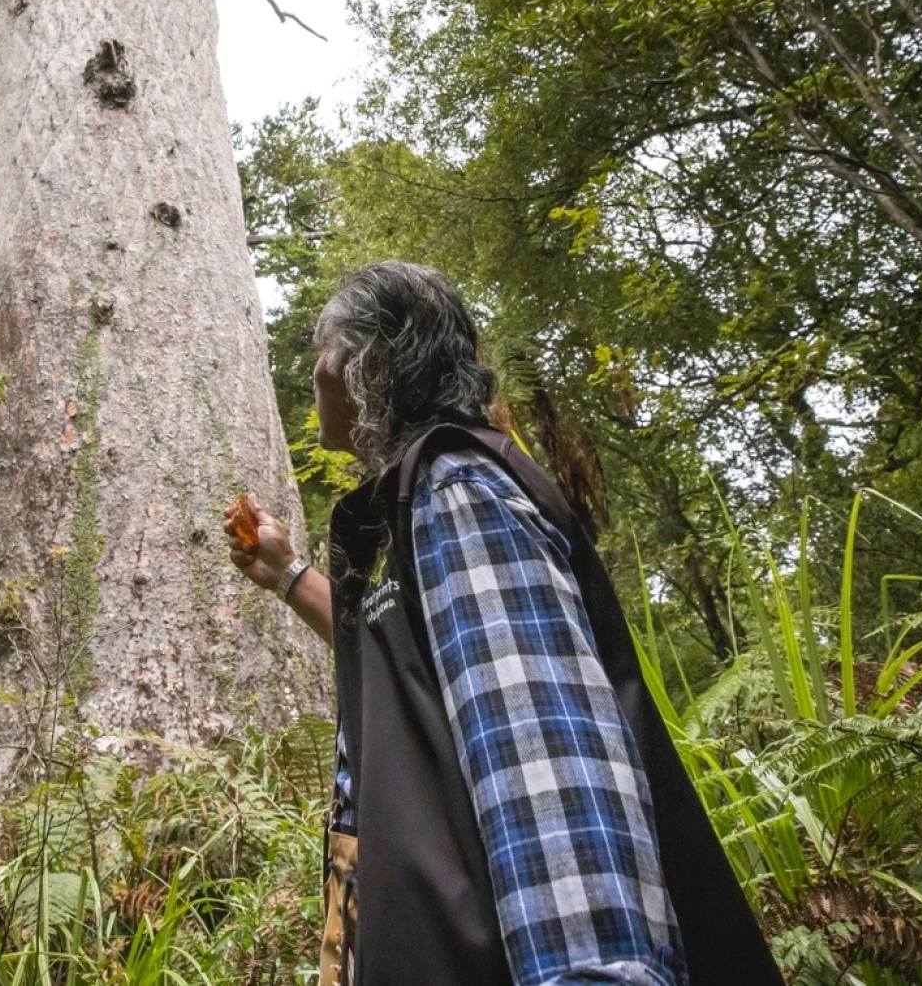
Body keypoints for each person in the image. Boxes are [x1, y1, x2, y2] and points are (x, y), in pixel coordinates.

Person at [225, 263, 782, 986]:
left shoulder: (456, 489)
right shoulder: (419, 504)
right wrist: (288, 575)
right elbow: (415, 664)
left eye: (322, 351)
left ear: (372, 365)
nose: (313, 371)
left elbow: (545, 759)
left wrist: (591, 973)